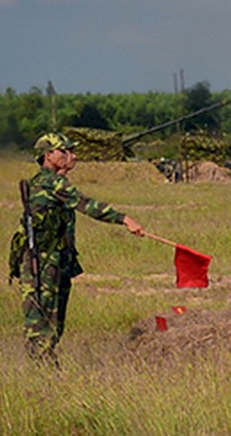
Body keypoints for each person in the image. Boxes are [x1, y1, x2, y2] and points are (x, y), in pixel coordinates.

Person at [11, 132, 145, 364]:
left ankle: (44, 366)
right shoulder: (51, 182)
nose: (72, 156)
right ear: (48, 155)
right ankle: (43, 372)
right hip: (42, 262)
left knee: (52, 320)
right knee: (42, 321)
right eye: (64, 151)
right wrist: (124, 219)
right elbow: (86, 204)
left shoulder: (49, 181)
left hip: (54, 260)